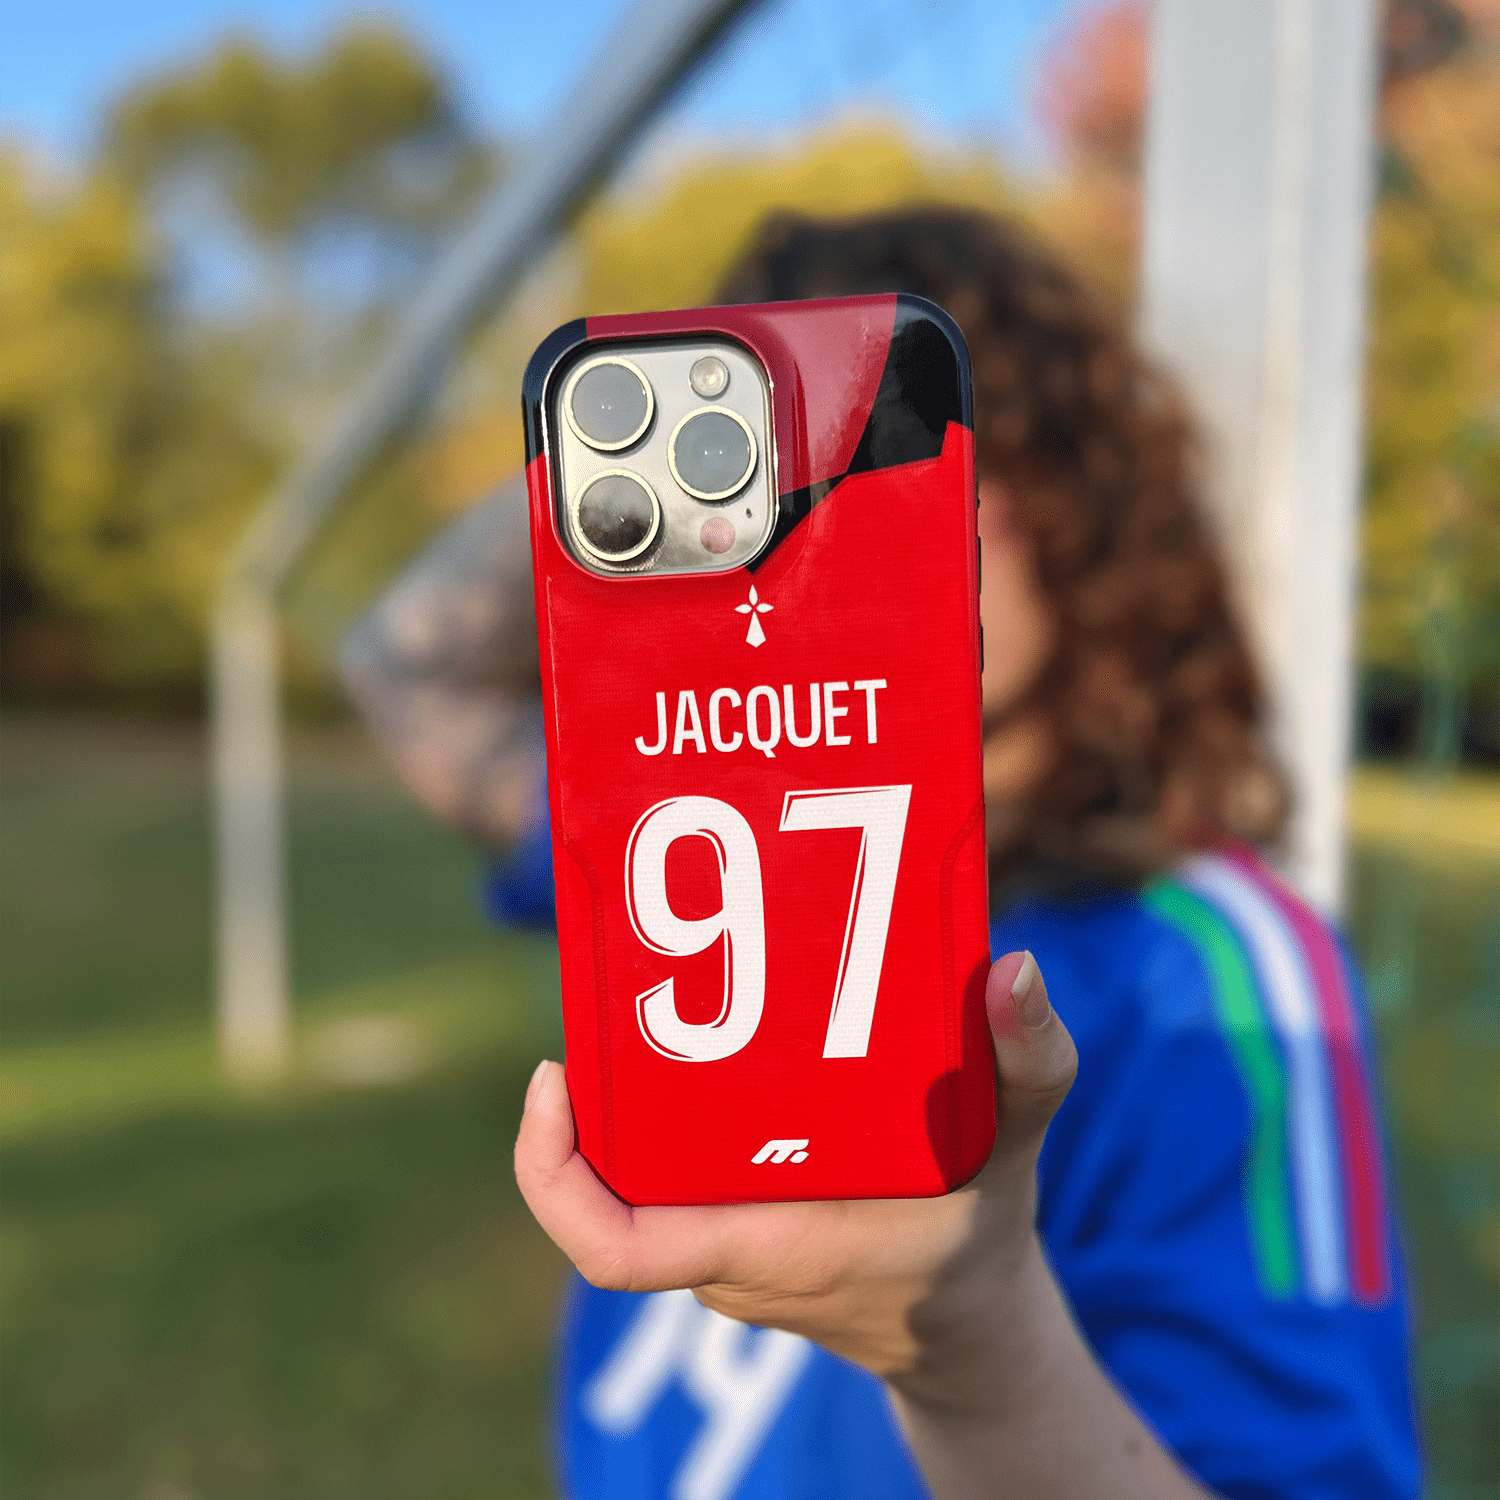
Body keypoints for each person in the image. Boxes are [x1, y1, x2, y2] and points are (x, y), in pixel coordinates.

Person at [341, 207, 1420, 1500]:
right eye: (784, 466)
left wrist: (972, 1344)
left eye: (910, 435)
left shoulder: (1205, 973)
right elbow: (410, 670)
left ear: (1074, 492)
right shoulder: (686, 828)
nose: (846, 508)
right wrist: (614, 453)